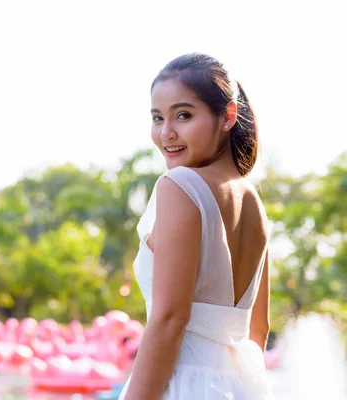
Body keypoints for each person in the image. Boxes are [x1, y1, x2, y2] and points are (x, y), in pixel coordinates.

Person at [118, 53, 273, 399]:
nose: (166, 133)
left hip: (181, 385)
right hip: (238, 387)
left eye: (184, 115)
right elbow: (257, 329)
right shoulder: (254, 202)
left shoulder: (181, 186)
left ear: (228, 115)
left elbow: (170, 320)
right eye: (158, 118)